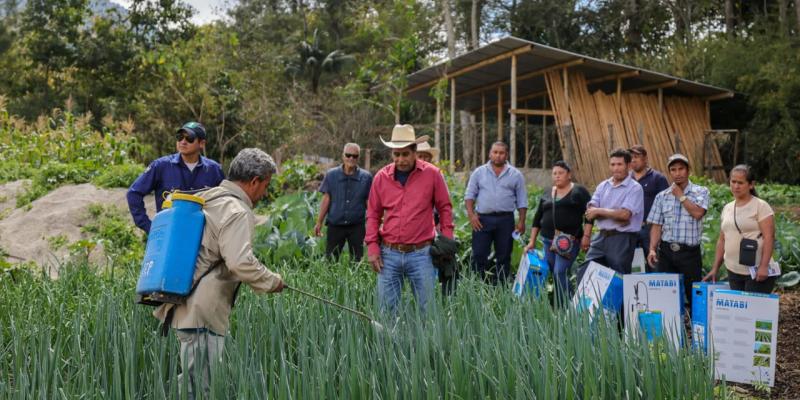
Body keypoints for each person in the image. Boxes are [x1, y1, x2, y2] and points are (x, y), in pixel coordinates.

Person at [154, 148, 285, 399]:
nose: (265, 192)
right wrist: (272, 282)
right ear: (254, 181)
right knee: (201, 387)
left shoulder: (210, 197)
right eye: (266, 185)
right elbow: (240, 262)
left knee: (192, 382)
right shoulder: (237, 210)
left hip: (185, 305)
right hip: (204, 310)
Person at [365, 124, 454, 313]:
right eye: (396, 154)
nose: (400, 159)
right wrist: (372, 247)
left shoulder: (432, 174)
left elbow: (445, 207)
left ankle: (425, 335)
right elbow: (373, 214)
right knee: (387, 310)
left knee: (427, 310)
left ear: (415, 152)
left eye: (405, 154)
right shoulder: (381, 177)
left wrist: (447, 240)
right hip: (389, 254)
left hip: (421, 253)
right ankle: (390, 335)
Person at [127, 122, 225, 233]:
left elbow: (225, 202)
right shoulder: (161, 166)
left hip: (203, 237)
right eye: (180, 137)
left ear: (201, 143)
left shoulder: (214, 170)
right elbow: (134, 193)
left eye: (189, 138)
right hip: (168, 235)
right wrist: (149, 227)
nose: (183, 142)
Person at [646, 154, 709, 310]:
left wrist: (680, 196)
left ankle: (694, 324)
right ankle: (672, 325)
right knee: (667, 297)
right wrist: (652, 249)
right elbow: (657, 225)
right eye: (673, 170)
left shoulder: (700, 192)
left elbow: (698, 213)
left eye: (681, 169)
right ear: (669, 173)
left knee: (693, 295)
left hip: (690, 253)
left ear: (688, 171)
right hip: (666, 252)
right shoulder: (662, 196)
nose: (677, 173)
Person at [524, 160, 592, 302]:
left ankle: (571, 304)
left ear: (569, 175)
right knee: (554, 273)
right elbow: (537, 218)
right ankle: (562, 304)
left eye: (561, 173)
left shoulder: (579, 191)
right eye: (554, 173)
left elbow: (589, 215)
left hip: (568, 241)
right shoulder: (548, 192)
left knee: (559, 272)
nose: (557, 176)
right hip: (548, 241)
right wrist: (532, 241)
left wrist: (586, 236)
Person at [704, 165, 777, 293]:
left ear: (751, 185)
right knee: (738, 306)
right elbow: (722, 240)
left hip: (756, 271)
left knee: (752, 306)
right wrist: (715, 268)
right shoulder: (727, 208)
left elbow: (769, 237)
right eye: (733, 182)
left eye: (740, 183)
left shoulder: (761, 206)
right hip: (733, 270)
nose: (736, 186)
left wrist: (764, 266)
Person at [465, 142, 528, 285]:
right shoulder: (479, 173)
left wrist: (521, 221)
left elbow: (522, 200)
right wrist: (471, 215)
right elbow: (469, 195)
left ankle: (501, 287)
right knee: (479, 254)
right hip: (482, 220)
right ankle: (477, 286)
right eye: (495, 152)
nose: (498, 155)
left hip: (505, 220)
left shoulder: (515, 175)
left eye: (501, 153)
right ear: (490, 154)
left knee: (504, 255)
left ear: (506, 155)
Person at [583, 148, 644, 275]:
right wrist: (613, 214)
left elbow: (624, 215)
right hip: (601, 237)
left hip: (622, 238)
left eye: (619, 164)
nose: (616, 168)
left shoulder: (635, 188)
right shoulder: (603, 185)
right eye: (613, 164)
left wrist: (599, 211)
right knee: (586, 270)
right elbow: (590, 212)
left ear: (628, 166)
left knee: (619, 275)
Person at [314, 143, 373, 260]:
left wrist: (373, 224)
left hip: (357, 226)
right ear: (343, 156)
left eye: (355, 156)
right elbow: (326, 199)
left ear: (358, 158)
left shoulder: (366, 177)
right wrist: (319, 222)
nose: (351, 158)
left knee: (357, 260)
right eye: (348, 155)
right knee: (331, 259)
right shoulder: (331, 175)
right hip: (335, 225)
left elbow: (369, 202)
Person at [629, 145, 669, 272]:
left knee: (654, 263)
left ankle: (656, 284)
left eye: (637, 156)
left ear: (645, 158)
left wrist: (662, 227)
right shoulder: (627, 179)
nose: (633, 160)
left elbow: (666, 204)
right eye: (631, 157)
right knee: (631, 266)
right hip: (630, 228)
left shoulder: (657, 178)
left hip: (650, 228)